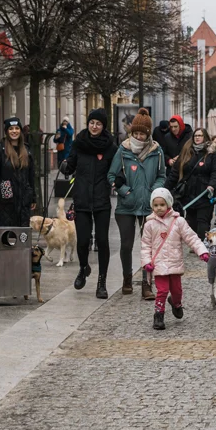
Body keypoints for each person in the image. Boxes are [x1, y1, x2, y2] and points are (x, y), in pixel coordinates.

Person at [60, 108, 118, 299]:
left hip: (101, 199)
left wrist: (118, 181)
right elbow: (71, 163)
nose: (94, 126)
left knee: (102, 241)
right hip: (82, 198)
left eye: (98, 124)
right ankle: (83, 267)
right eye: (92, 122)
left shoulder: (110, 146)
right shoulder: (79, 143)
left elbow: (116, 170)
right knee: (83, 240)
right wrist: (66, 166)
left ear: (104, 126)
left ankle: (101, 282)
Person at [109, 108, 166, 299]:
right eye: (136, 133)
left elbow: (162, 176)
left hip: (148, 206)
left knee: (147, 247)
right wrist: (125, 191)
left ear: (148, 134)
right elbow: (111, 175)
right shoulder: (123, 150)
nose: (139, 136)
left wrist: (153, 192)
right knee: (126, 245)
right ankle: (126, 278)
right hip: (126, 206)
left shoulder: (156, 151)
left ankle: (146, 284)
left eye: (142, 133)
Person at [141, 188, 210, 331]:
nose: (159, 208)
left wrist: (202, 251)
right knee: (162, 290)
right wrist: (147, 261)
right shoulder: (149, 225)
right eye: (156, 205)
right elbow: (145, 245)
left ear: (168, 204)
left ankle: (176, 303)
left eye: (162, 204)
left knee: (177, 290)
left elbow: (191, 237)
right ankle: (159, 315)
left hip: (174, 263)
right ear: (152, 206)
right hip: (159, 264)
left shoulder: (178, 222)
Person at [166, 127, 216, 239]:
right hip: (189, 195)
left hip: (205, 194)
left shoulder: (212, 154)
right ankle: (195, 244)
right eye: (195, 135)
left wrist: (212, 185)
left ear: (205, 137)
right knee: (191, 222)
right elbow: (175, 172)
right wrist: (164, 190)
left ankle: (202, 244)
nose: (197, 138)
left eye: (200, 135)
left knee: (203, 222)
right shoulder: (186, 152)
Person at [0, 117, 35, 228]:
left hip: (23, 196)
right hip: (5, 196)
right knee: (5, 230)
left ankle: (22, 246)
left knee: (22, 232)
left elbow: (31, 176)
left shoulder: (26, 150)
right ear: (7, 131)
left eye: (17, 128)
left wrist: (33, 197)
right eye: (11, 129)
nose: (14, 131)